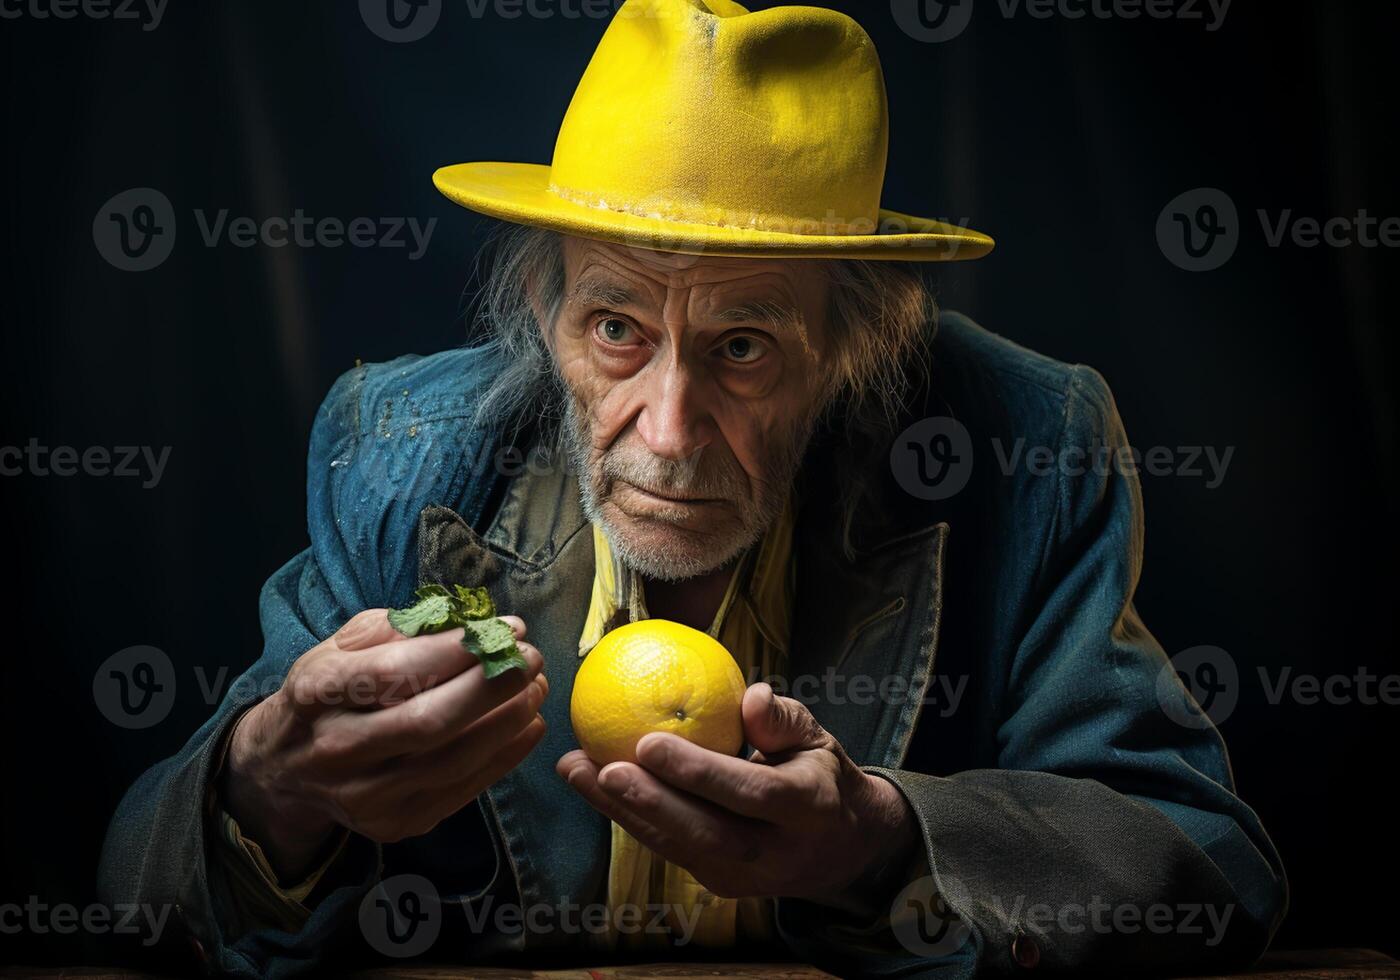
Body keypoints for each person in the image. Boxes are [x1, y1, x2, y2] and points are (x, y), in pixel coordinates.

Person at [99, 0, 1286, 976]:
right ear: (543, 312)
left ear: (853, 348)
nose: (665, 434)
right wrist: (271, 786)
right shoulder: (401, 446)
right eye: (614, 326)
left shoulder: (1025, 440)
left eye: (743, 346)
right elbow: (142, 896)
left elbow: (1204, 872)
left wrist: (873, 843)